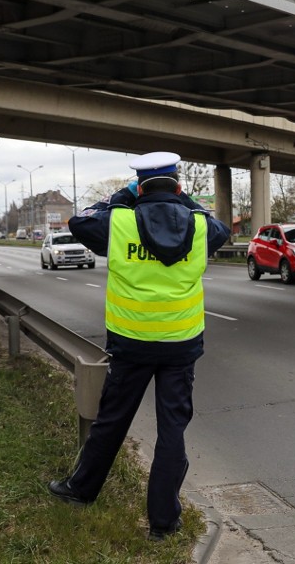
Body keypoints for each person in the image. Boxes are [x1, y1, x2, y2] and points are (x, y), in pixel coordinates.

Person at [48, 151, 230, 541]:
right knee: (172, 432)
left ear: (139, 185)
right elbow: (221, 227)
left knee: (112, 421)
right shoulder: (200, 226)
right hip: (180, 346)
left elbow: (78, 221)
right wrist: (183, 200)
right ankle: (163, 523)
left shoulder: (118, 221)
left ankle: (81, 490)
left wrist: (121, 195)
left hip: (131, 344)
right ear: (179, 187)